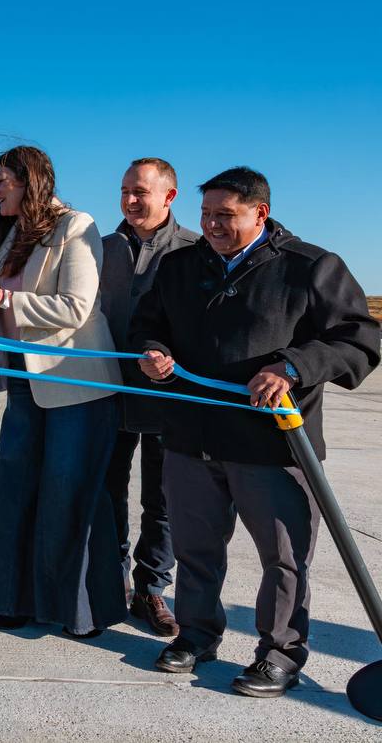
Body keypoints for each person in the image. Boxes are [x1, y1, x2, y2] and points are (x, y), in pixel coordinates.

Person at [131, 166, 379, 697]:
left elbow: (360, 339)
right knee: (196, 548)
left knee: (283, 556)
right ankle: (195, 635)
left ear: (259, 213)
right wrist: (154, 352)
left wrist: (292, 366)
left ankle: (281, 653)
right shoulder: (179, 266)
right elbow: (146, 325)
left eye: (225, 216)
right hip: (191, 436)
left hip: (272, 446)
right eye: (205, 215)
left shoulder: (311, 267)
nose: (212, 226)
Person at [0, 145, 126, 637]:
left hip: (73, 384)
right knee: (15, 491)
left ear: (28, 181)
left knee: (68, 493)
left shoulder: (76, 226)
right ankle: (15, 599)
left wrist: (4, 298)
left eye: (2, 182)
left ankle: (78, 611)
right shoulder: (9, 235)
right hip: (18, 379)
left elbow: (76, 308)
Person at [99, 157, 198, 637]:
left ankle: (152, 587)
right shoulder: (99, 249)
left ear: (169, 196)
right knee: (107, 489)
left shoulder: (195, 250)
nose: (130, 200)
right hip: (108, 391)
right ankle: (113, 578)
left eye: (140, 191)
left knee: (163, 500)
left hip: (169, 398)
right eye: (124, 191)